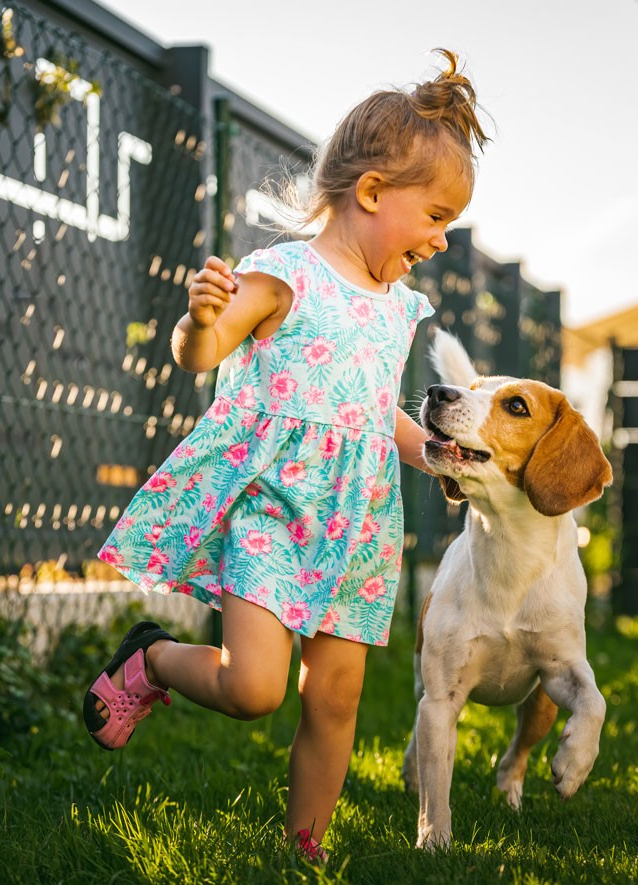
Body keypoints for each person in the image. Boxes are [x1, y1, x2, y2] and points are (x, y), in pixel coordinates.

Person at [84, 47, 488, 863]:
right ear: (373, 193)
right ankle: (152, 658)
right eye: (437, 215)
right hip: (276, 508)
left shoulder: (396, 307)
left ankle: (303, 848)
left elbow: (378, 418)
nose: (443, 240)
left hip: (358, 525)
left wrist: (440, 454)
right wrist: (201, 320)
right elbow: (200, 355)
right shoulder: (283, 275)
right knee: (256, 688)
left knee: (334, 698)